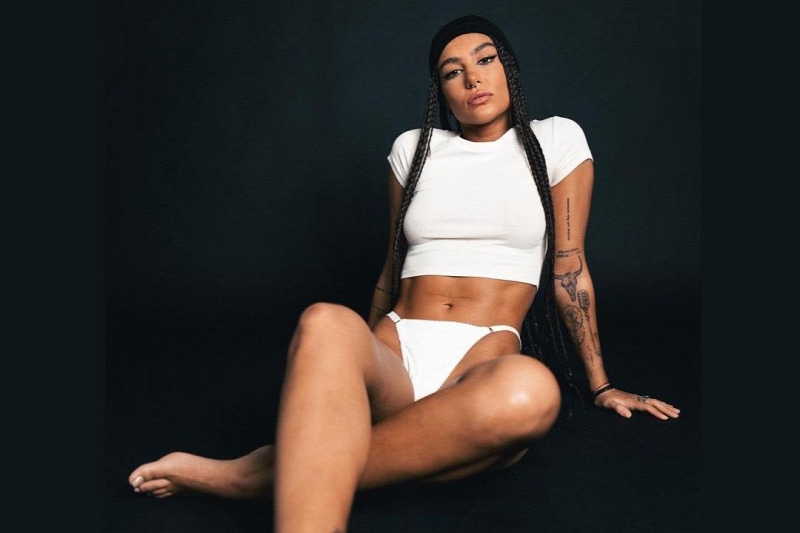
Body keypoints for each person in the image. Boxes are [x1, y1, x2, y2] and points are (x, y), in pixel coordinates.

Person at [127, 14, 680, 532]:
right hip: (397, 349)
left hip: (481, 363)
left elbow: (569, 268)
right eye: (452, 72)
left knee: (531, 392)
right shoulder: (414, 149)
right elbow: (391, 269)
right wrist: (352, 370)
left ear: (509, 67)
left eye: (485, 60)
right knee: (324, 321)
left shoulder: (555, 139)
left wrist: (601, 384)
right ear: (441, 90)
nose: (472, 78)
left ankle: (248, 476)